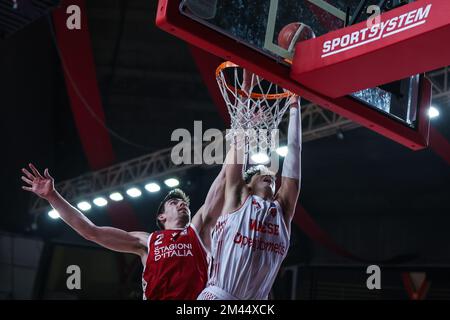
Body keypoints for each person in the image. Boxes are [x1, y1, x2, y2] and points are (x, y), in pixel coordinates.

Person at [21, 163, 225, 300]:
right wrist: (52, 196)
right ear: (161, 217)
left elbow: (224, 183)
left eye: (184, 203)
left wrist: (238, 137)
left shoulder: (199, 231)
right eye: (174, 202)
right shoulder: (147, 241)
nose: (182, 205)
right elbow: (91, 231)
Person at [198, 97, 303, 300]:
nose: (270, 175)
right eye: (261, 172)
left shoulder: (282, 211)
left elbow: (295, 151)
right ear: (247, 185)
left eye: (273, 176)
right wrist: (244, 111)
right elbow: (236, 159)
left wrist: (294, 106)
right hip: (219, 296)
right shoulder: (238, 199)